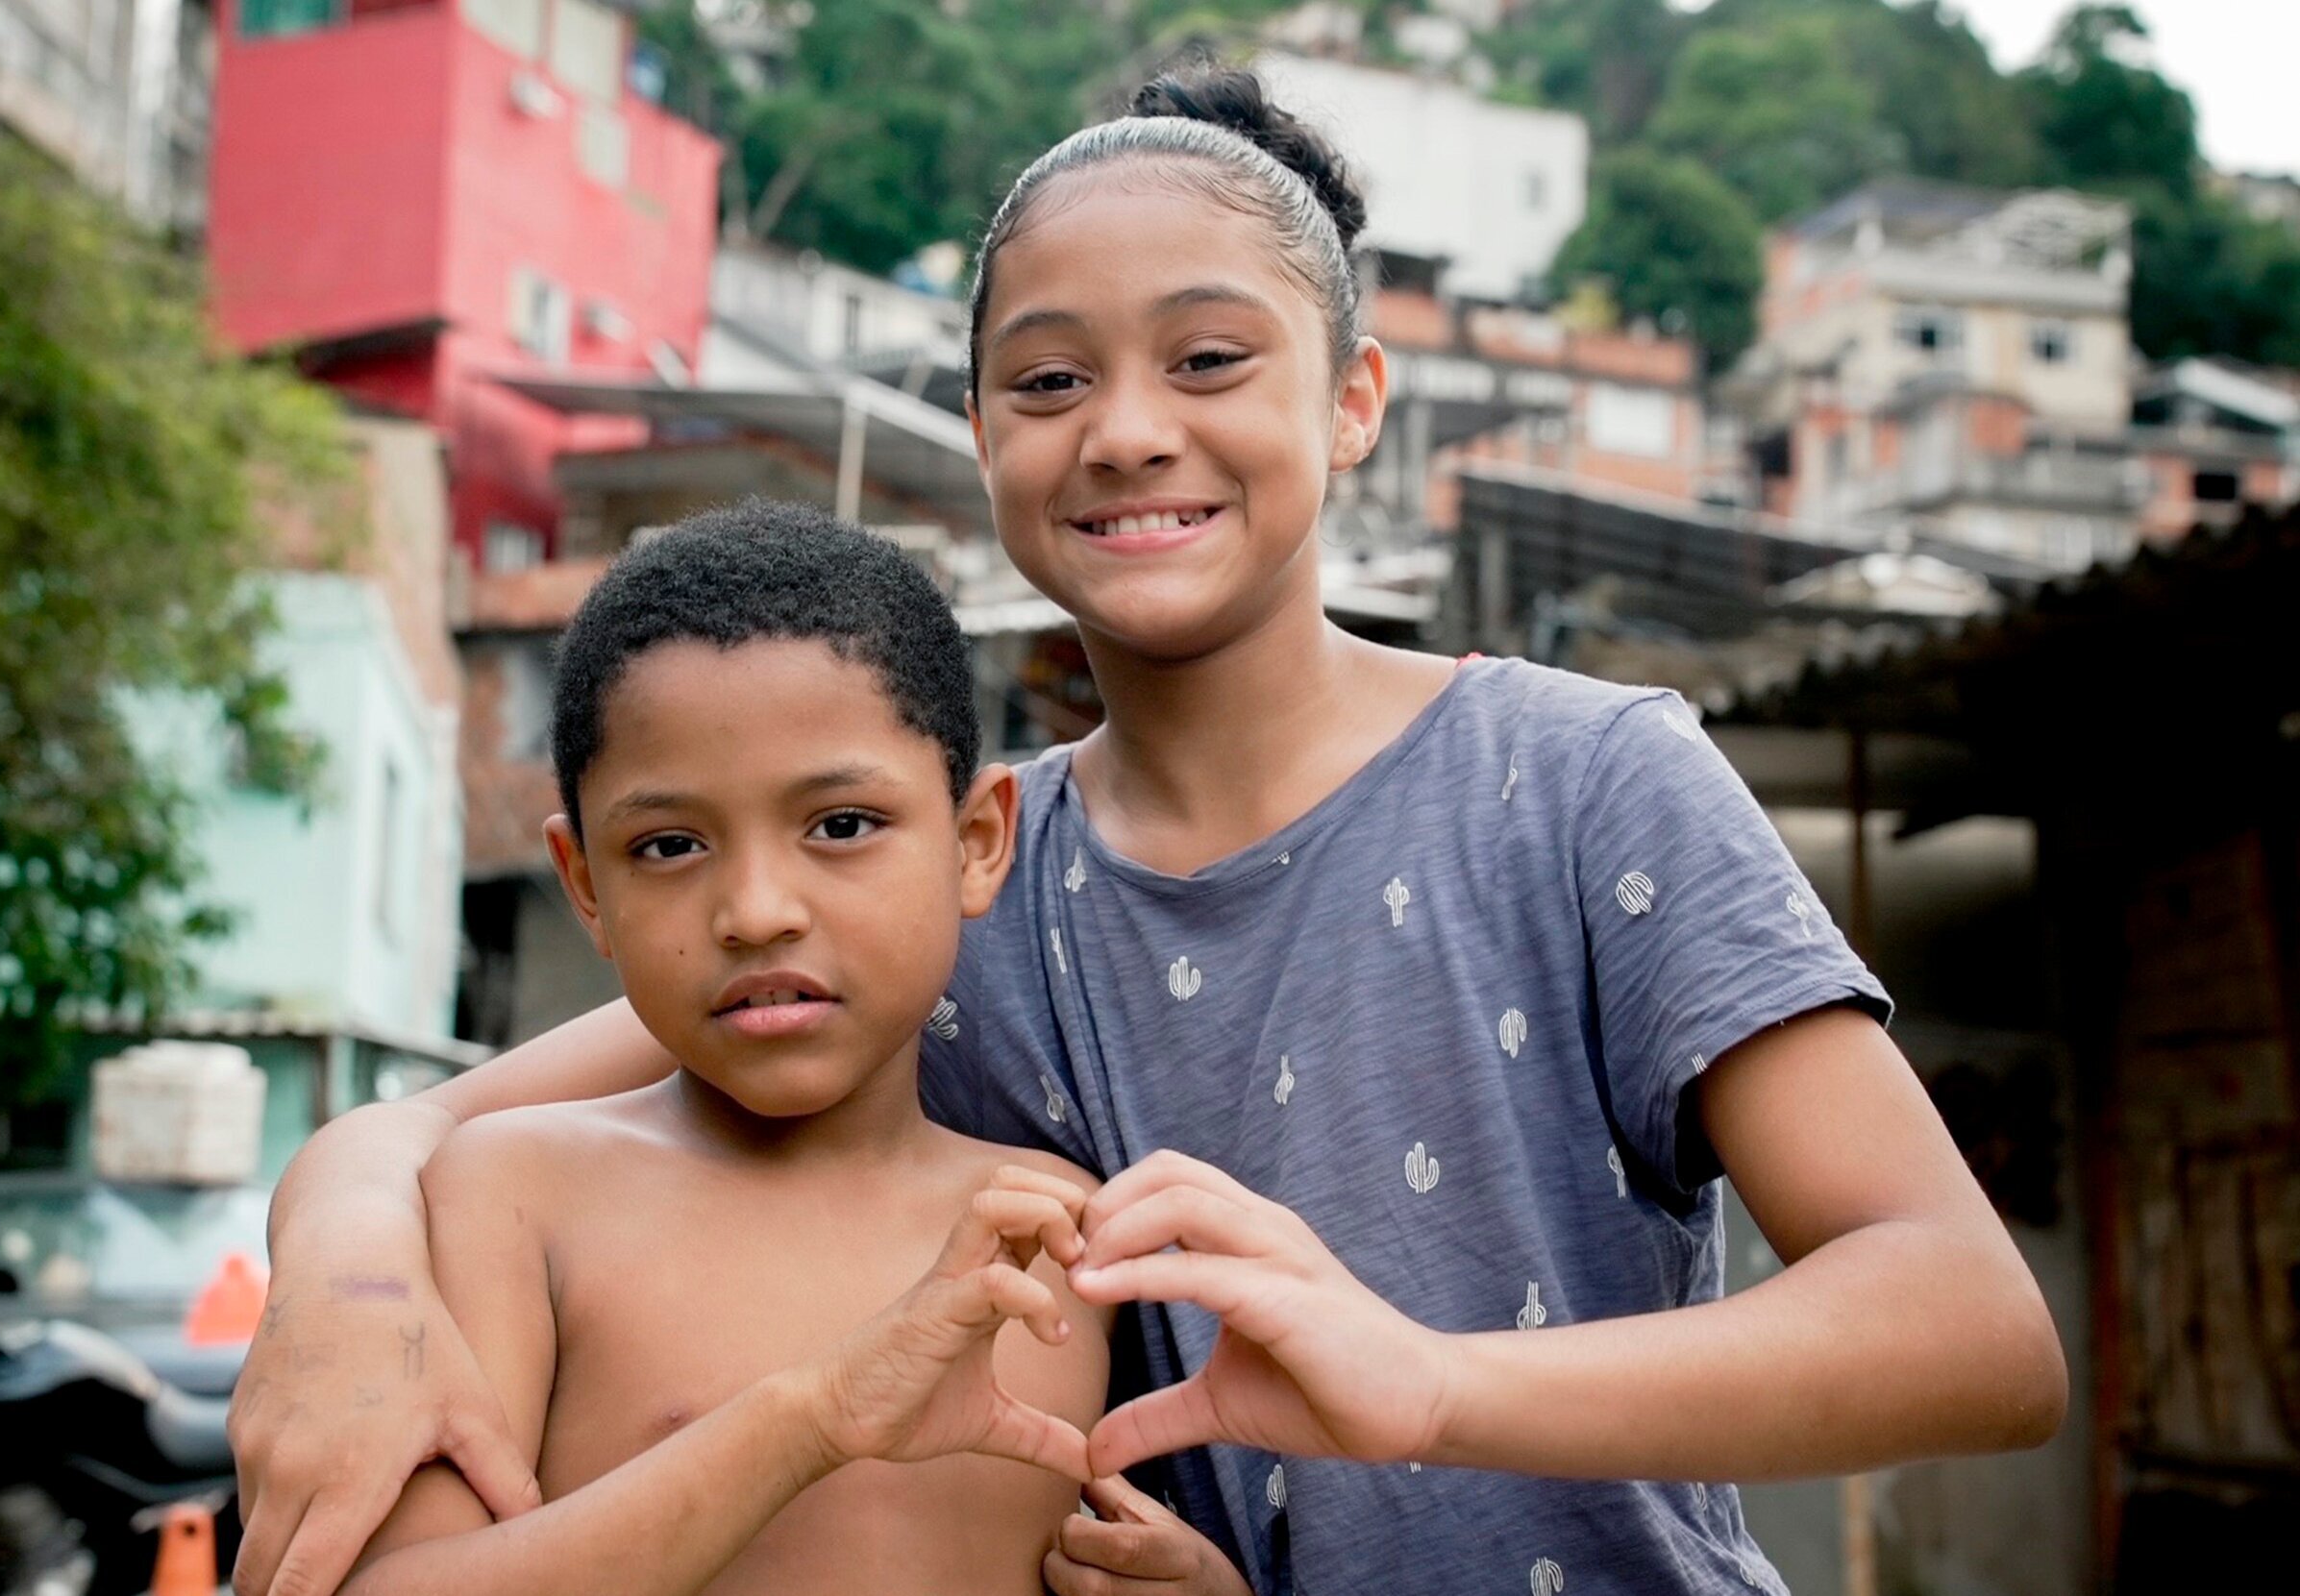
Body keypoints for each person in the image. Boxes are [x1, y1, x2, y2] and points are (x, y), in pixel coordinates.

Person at [233, 68, 2068, 1596]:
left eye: (1207, 360)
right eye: (1046, 380)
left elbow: (1967, 1328)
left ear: (1350, 401)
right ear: (978, 433)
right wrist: (337, 1298)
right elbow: (410, 1131)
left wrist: (1427, 1386)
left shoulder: (1581, 777)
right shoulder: (948, 877)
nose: (1123, 432)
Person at [318, 501, 1242, 1596]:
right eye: (668, 844)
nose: (755, 910)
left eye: (841, 824)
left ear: (977, 841)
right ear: (585, 888)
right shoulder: (517, 1194)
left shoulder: (1055, 1229)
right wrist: (806, 1419)